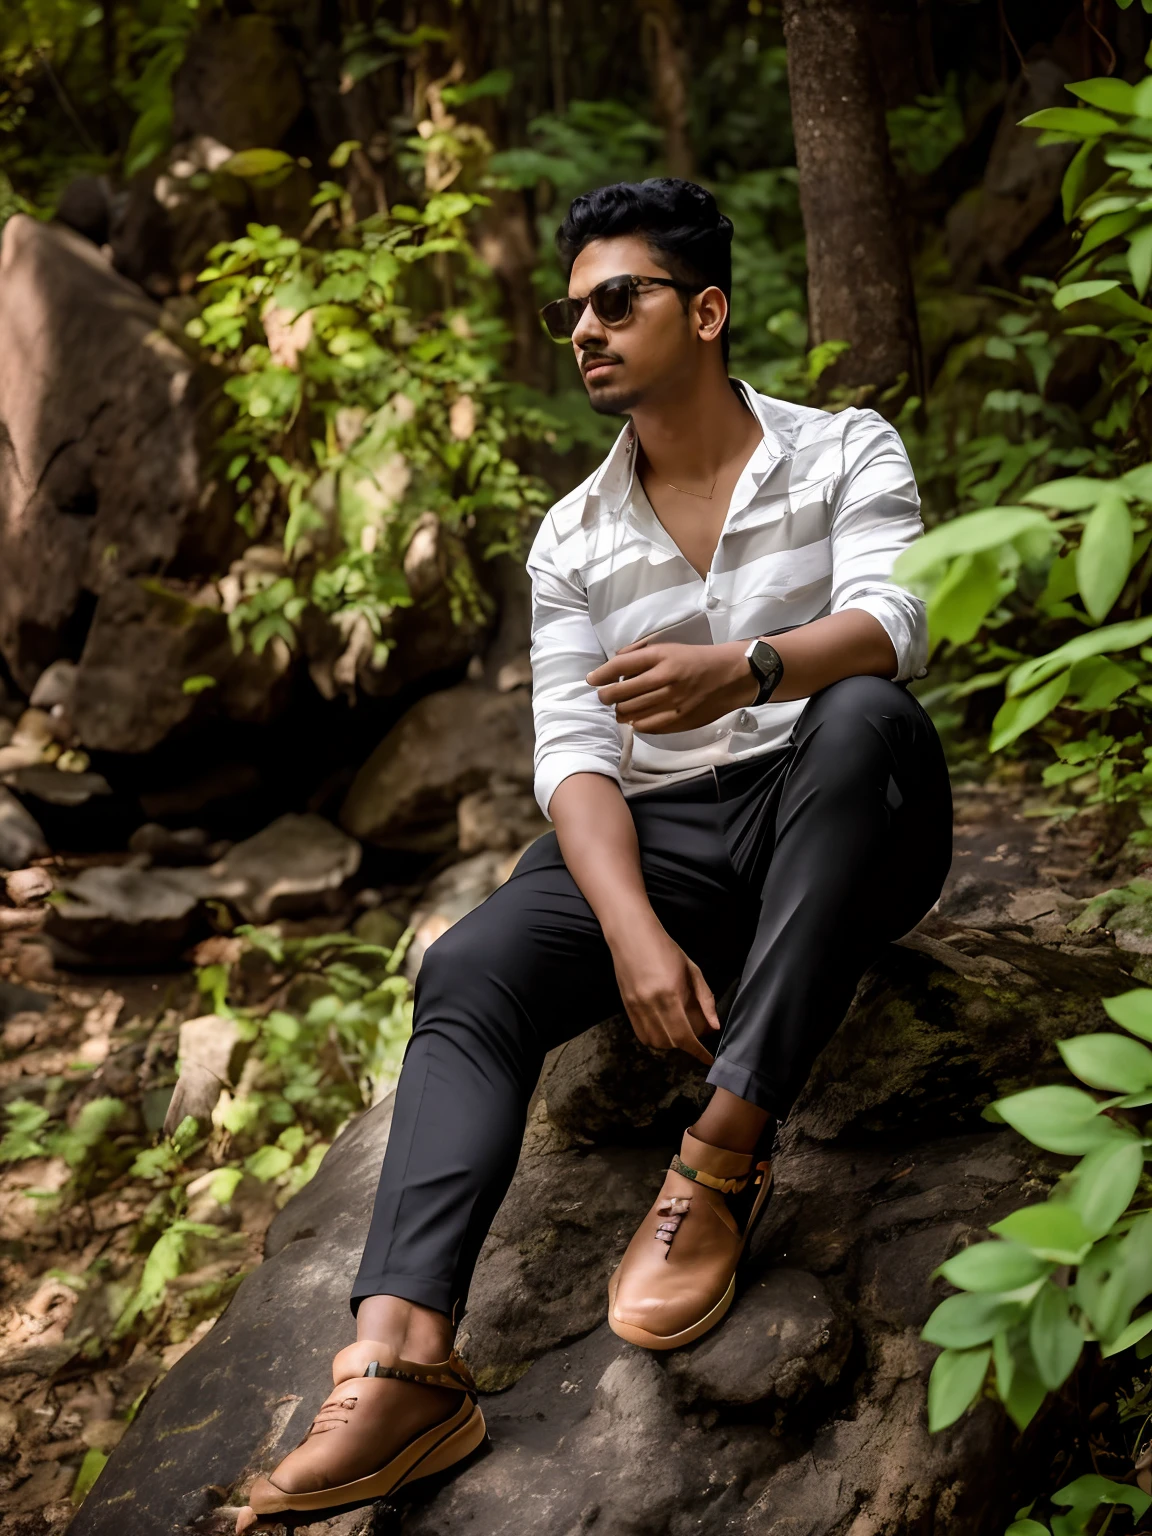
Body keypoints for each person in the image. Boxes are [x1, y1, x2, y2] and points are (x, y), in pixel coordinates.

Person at [235, 177, 952, 1530]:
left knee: (861, 716)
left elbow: (899, 623)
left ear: (708, 309)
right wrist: (629, 930)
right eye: (572, 310)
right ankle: (400, 1367)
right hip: (674, 847)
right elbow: (572, 757)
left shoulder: (847, 446)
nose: (585, 328)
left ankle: (720, 1156)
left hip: (845, 813)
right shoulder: (572, 534)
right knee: (471, 966)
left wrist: (745, 671)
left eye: (617, 298)